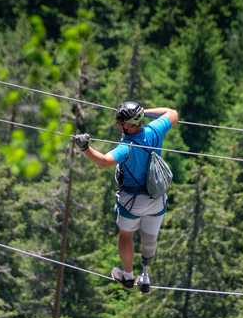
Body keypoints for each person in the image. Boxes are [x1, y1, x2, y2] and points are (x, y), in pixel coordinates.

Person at [73, 101, 178, 294]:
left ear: (128, 125)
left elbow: (104, 162)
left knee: (126, 235)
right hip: (157, 200)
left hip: (132, 202)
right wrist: (144, 113)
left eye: (120, 122)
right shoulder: (154, 131)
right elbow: (172, 113)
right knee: (149, 238)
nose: (118, 125)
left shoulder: (127, 146)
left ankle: (128, 277)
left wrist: (85, 147)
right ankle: (145, 276)